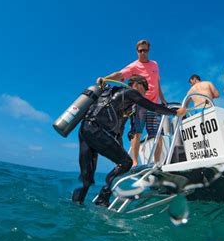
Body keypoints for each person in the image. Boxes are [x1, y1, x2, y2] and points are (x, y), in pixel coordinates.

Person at [72, 75, 187, 206]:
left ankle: (76, 203)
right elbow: (152, 107)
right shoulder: (130, 92)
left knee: (86, 177)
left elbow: (118, 130)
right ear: (137, 85)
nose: (143, 96)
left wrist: (120, 149)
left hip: (85, 129)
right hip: (96, 130)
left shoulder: (115, 95)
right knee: (126, 163)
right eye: (144, 91)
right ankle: (102, 198)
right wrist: (176, 112)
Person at [97, 39, 167, 167]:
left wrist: (163, 99)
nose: (143, 53)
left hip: (154, 105)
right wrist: (105, 78)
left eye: (145, 50)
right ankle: (135, 163)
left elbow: (157, 83)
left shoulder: (155, 64)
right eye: (140, 51)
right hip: (139, 103)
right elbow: (119, 74)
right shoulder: (134, 66)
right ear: (137, 51)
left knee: (158, 134)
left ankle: (158, 164)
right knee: (136, 132)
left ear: (148, 50)